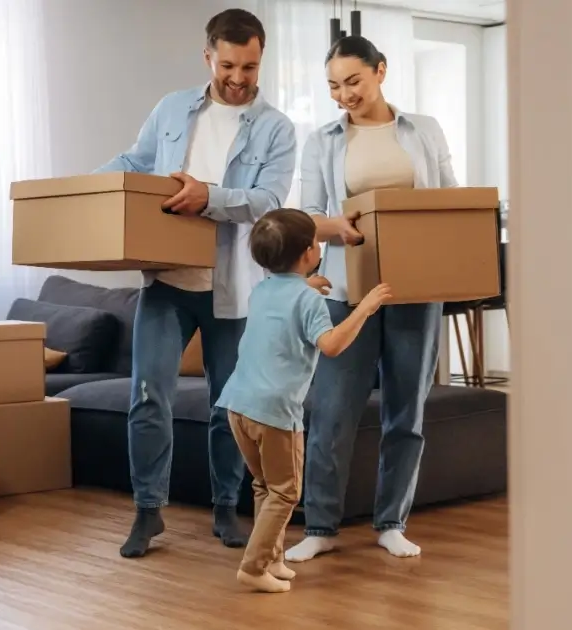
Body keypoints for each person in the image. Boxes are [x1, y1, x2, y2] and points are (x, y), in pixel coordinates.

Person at [93, 8, 297, 559]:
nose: (238, 77)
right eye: (228, 64)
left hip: (234, 285)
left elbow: (269, 201)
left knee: (228, 405)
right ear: (207, 56)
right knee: (147, 397)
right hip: (167, 281)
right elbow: (137, 161)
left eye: (250, 66)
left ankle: (226, 508)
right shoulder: (171, 109)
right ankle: (147, 511)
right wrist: (87, 188)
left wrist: (208, 196)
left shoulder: (276, 128)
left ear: (261, 60)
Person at [285, 36, 458, 562]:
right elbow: (308, 215)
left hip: (416, 288)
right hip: (346, 291)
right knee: (332, 411)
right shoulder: (323, 141)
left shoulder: (422, 130)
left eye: (354, 81)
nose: (344, 94)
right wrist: (336, 228)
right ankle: (319, 526)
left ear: (380, 71)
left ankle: (392, 522)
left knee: (406, 410)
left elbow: (451, 200)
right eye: (334, 85)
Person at [217, 208, 390, 593]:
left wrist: (306, 286)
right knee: (286, 491)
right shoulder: (309, 302)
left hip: (237, 404)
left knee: (265, 486)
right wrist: (364, 308)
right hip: (275, 412)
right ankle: (253, 565)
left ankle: (273, 559)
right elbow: (331, 346)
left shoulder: (261, 290)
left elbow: (286, 300)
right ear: (310, 252)